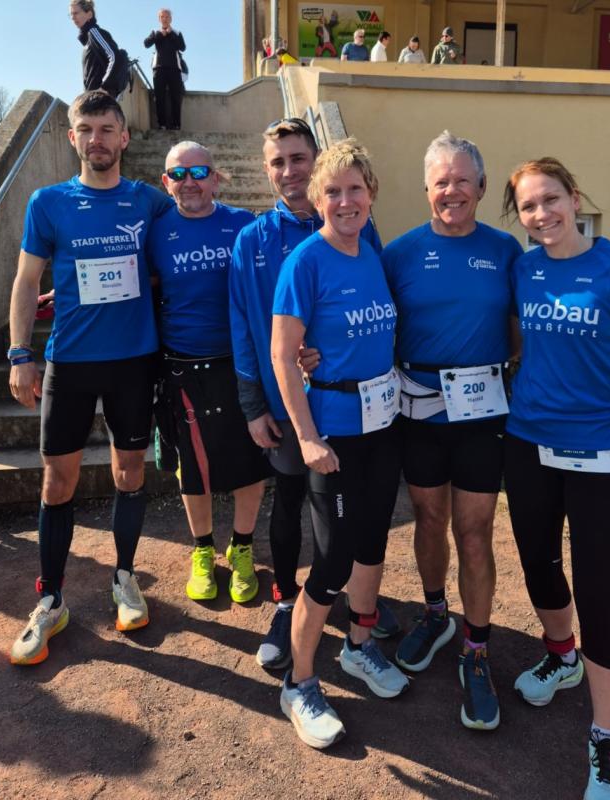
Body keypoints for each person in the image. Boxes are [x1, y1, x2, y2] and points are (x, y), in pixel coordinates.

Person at [501, 157, 610, 800]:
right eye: (528, 206)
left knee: (600, 594)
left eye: (551, 199)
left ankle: (604, 738)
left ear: (574, 197)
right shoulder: (523, 269)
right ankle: (563, 655)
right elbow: (515, 345)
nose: (542, 214)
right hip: (529, 444)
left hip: (603, 452)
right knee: (539, 569)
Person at [8, 90, 173, 665]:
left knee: (130, 473)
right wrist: (19, 354)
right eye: (87, 129)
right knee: (58, 483)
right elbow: (27, 280)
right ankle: (51, 599)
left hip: (134, 361)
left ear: (124, 138)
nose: (97, 139)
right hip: (70, 362)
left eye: (107, 129)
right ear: (72, 137)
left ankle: (125, 578)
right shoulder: (47, 202)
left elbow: (175, 256)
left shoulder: (150, 202)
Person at [230, 118, 398, 671]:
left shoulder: (366, 241)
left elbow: (370, 314)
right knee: (306, 525)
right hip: (301, 411)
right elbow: (251, 329)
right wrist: (256, 405)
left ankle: (359, 630)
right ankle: (289, 617)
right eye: (277, 162)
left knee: (362, 538)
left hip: (372, 417)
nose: (289, 171)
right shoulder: (265, 243)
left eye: (297, 158)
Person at [382, 131, 522, 730]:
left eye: (463, 180)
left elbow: (519, 331)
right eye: (441, 181)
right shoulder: (400, 253)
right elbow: (373, 325)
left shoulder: (506, 249)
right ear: (426, 189)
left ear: (482, 187)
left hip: (482, 414)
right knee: (428, 518)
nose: (452, 190)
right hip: (418, 410)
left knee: (475, 531)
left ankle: (477, 648)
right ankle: (436, 613)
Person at [271, 138, 408, 749]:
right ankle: (299, 683)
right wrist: (306, 437)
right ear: (316, 198)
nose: (345, 201)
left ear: (371, 194)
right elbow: (283, 355)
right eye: (333, 191)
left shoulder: (371, 254)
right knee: (331, 562)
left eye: (355, 189)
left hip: (383, 424)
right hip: (333, 434)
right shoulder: (305, 262)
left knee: (373, 544)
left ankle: (358, 646)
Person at [148, 142, 270, 605]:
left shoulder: (244, 225)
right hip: (181, 366)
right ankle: (202, 549)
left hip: (240, 364)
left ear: (216, 178)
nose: (189, 182)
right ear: (166, 183)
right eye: (178, 174)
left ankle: (242, 546)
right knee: (192, 466)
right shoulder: (156, 232)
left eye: (199, 172)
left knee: (250, 461)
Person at [69, 1, 125, 97]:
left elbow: (116, 57)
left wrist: (104, 87)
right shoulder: (88, 40)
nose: (72, 17)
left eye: (76, 13)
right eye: (70, 14)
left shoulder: (94, 33)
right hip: (92, 97)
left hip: (100, 99)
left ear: (89, 14)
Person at [144, 8, 186, 131]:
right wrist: (159, 35)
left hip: (174, 69)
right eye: (162, 17)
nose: (165, 19)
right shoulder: (155, 31)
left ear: (171, 19)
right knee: (159, 97)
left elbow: (182, 47)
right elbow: (146, 44)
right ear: (159, 19)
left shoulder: (177, 32)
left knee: (175, 97)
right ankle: (161, 124)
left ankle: (176, 125)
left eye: (167, 17)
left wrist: (170, 34)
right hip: (159, 69)